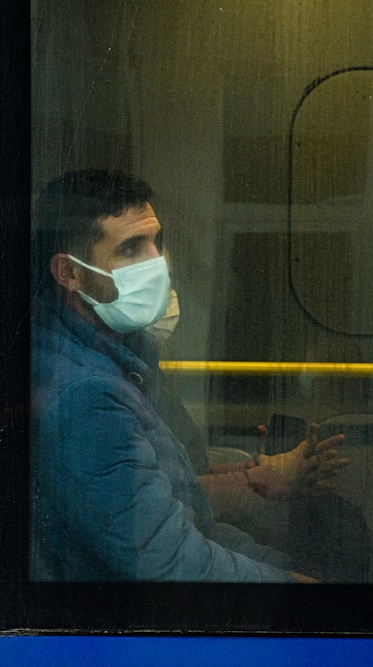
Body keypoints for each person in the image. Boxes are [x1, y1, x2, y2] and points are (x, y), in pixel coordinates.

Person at [31, 169, 342, 582]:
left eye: (155, 242)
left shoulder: (116, 359)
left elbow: (179, 510)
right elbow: (170, 562)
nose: (156, 263)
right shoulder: (87, 396)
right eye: (130, 249)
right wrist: (290, 590)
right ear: (69, 273)